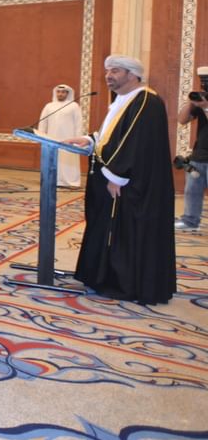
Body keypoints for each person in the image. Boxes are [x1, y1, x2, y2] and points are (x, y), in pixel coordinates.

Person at [65, 55, 175, 304]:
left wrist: (118, 174)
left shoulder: (145, 100)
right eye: (108, 71)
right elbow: (114, 135)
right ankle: (99, 275)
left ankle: (121, 283)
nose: (108, 76)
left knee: (123, 232)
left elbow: (137, 142)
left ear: (132, 75)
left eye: (115, 71)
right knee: (106, 227)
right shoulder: (124, 100)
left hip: (129, 184)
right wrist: (90, 140)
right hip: (117, 177)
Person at [176, 78, 208, 232]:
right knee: (192, 190)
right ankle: (190, 221)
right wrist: (191, 102)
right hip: (198, 155)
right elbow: (182, 120)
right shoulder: (202, 101)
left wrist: (206, 107)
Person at [37, 84, 84, 188]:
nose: (60, 94)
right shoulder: (49, 106)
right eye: (58, 92)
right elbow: (43, 122)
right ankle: (53, 181)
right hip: (52, 139)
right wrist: (41, 136)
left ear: (67, 93)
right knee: (53, 160)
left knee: (68, 160)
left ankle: (71, 182)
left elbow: (78, 124)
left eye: (63, 92)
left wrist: (78, 139)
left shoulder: (74, 106)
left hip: (69, 140)